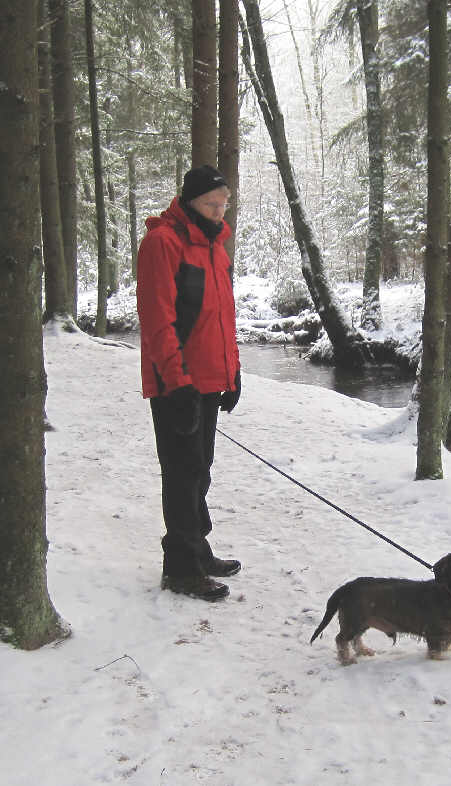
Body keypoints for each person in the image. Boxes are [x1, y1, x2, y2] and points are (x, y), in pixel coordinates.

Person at [137, 164, 242, 601]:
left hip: (210, 379)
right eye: (211, 204)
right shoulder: (162, 243)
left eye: (224, 204)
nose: (219, 212)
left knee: (201, 469)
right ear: (190, 201)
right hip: (176, 382)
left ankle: (197, 548)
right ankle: (180, 568)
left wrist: (232, 372)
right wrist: (176, 384)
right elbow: (157, 319)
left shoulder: (215, 246)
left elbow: (223, 316)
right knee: (182, 473)